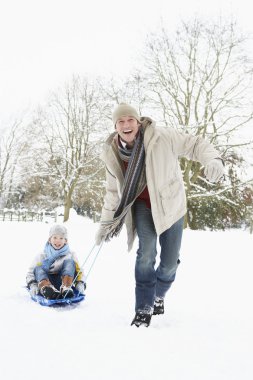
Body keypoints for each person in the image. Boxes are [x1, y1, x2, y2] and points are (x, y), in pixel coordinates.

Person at [95, 103, 224, 327]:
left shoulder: (161, 137)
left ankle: (159, 295)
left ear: (138, 121)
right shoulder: (112, 153)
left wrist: (213, 160)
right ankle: (144, 307)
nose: (126, 125)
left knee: (169, 264)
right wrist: (105, 224)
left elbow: (194, 144)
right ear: (115, 126)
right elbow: (113, 192)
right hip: (142, 207)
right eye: (121, 121)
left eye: (130, 120)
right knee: (146, 253)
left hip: (170, 204)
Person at [26, 224, 86, 300]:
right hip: (46, 280)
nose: (58, 240)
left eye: (61, 238)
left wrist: (80, 283)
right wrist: (32, 285)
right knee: (38, 268)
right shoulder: (42, 255)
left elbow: (80, 271)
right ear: (49, 239)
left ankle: (66, 287)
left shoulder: (70, 254)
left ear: (65, 241)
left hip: (63, 281)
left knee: (70, 263)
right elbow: (31, 272)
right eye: (55, 237)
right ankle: (47, 289)